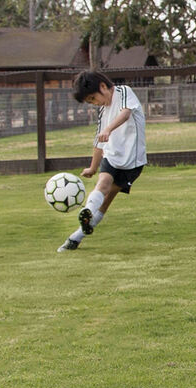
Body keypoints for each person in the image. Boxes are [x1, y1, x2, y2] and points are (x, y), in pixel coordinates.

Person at [57, 70, 147, 252]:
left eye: (93, 98)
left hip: (132, 162)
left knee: (105, 201)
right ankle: (85, 215)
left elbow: (125, 114)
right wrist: (92, 167)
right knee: (103, 184)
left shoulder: (123, 92)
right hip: (111, 157)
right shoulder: (102, 111)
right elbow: (99, 142)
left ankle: (78, 236)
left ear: (103, 87)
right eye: (90, 102)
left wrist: (108, 129)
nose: (94, 104)